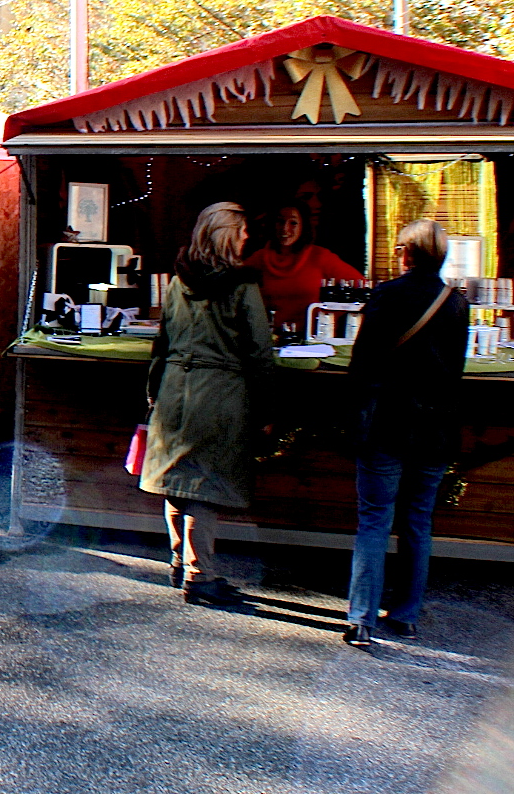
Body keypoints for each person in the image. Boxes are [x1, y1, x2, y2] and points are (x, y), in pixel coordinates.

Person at [342, 219, 467, 648]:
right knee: (417, 523)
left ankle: (361, 619)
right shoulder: (456, 303)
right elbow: (455, 371)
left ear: (408, 253)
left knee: (374, 520)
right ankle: (406, 616)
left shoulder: (388, 295)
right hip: (434, 428)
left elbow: (362, 364)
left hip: (387, 424)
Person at [142, 202, 272, 606]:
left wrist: (153, 390)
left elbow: (162, 342)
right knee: (204, 485)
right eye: (243, 231)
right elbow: (260, 351)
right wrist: (267, 410)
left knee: (176, 481)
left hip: (174, 387)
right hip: (219, 392)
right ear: (228, 235)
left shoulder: (178, 283)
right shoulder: (242, 286)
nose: (248, 238)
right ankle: (201, 576)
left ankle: (179, 562)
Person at [244, 200, 363, 335]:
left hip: (312, 340)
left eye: (293, 223)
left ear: (304, 226)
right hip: (271, 338)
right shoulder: (260, 258)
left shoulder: (320, 257)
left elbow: (361, 288)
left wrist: (329, 317)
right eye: (280, 221)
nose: (285, 228)